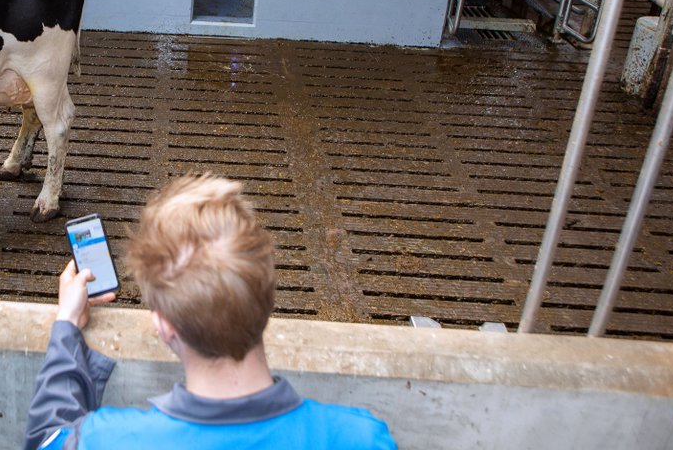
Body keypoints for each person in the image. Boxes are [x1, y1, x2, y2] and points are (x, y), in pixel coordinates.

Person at [25, 174, 396, 450]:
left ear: (164, 326)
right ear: (267, 300)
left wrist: (67, 326)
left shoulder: (107, 440)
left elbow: (47, 437)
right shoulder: (363, 438)